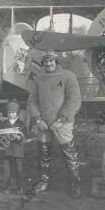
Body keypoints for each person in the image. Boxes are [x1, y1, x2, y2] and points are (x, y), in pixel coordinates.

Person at [27, 51, 81, 198]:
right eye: (46, 61)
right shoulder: (38, 79)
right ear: (42, 62)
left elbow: (74, 100)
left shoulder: (69, 76)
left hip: (62, 124)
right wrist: (38, 119)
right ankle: (44, 182)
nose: (48, 64)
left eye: (51, 61)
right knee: (43, 154)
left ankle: (74, 185)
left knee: (69, 155)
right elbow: (32, 101)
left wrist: (61, 120)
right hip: (43, 124)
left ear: (56, 62)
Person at [0, 100, 26, 195]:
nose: (11, 114)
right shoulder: (3, 124)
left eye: (13, 112)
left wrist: (19, 137)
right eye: (9, 112)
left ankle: (19, 187)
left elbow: (24, 136)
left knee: (19, 170)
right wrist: (3, 137)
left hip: (18, 150)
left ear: (17, 113)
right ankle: (6, 187)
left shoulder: (22, 124)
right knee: (7, 171)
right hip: (7, 150)